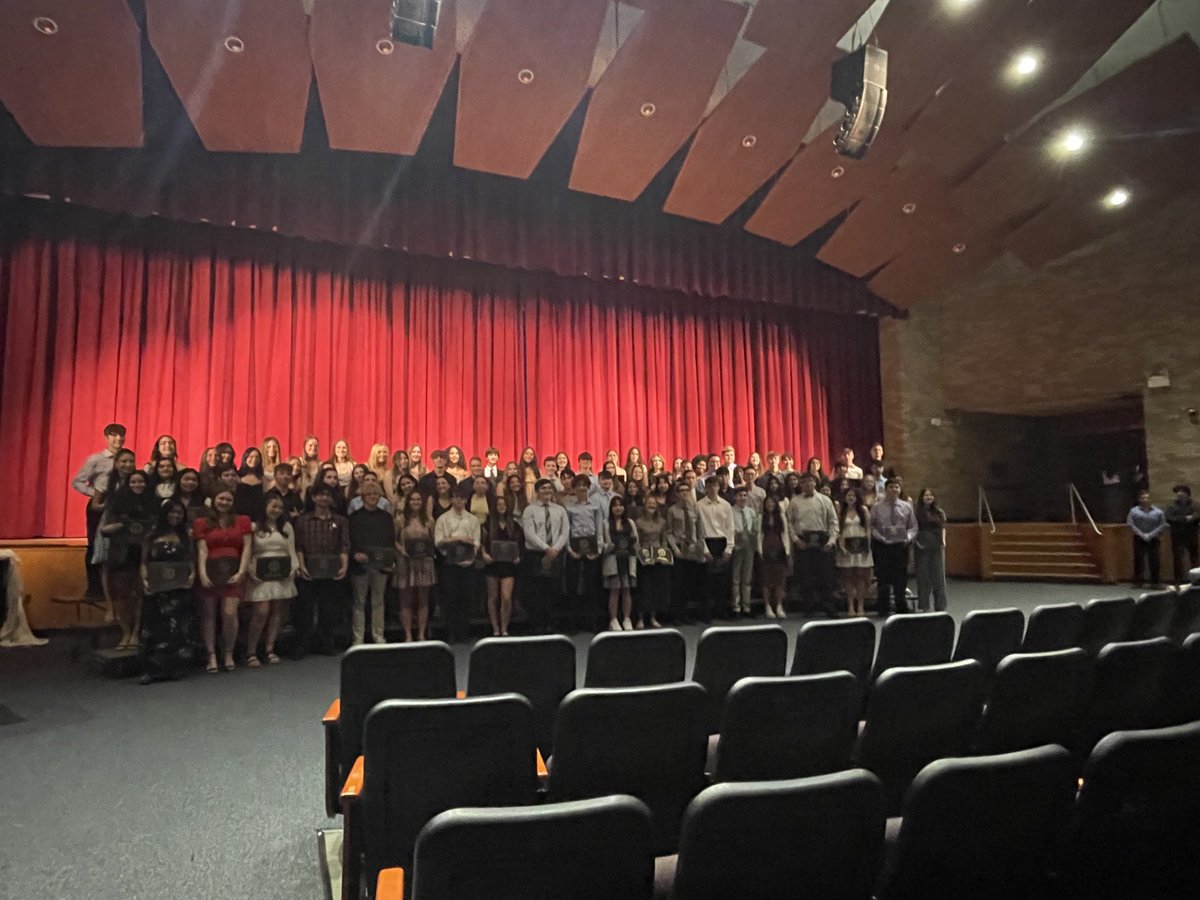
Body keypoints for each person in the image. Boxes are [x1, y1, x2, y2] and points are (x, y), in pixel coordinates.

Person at [137, 499, 198, 684]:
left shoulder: (187, 536)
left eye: (179, 513)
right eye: (172, 512)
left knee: (178, 628)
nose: (176, 516)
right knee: (154, 628)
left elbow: (190, 561)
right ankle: (151, 670)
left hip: (179, 589)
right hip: (157, 589)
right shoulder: (151, 535)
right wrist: (145, 580)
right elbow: (144, 562)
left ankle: (174, 668)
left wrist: (192, 576)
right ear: (165, 513)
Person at [193, 487, 253, 672]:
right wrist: (202, 573)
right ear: (213, 499)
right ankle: (211, 655)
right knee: (209, 614)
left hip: (235, 572)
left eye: (228, 499)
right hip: (210, 572)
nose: (224, 502)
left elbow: (247, 548)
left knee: (229, 613)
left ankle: (228, 652)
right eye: (221, 498)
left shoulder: (243, 520)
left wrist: (242, 571)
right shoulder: (201, 522)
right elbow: (202, 550)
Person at [98, 466, 158, 648]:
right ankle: (125, 632)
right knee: (122, 596)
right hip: (121, 554)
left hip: (145, 555)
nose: (137, 484)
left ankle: (136, 633)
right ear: (127, 483)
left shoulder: (153, 503)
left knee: (141, 595)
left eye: (141, 481)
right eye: (133, 481)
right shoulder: (117, 502)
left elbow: (157, 528)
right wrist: (122, 525)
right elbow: (104, 529)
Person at [293, 484, 350, 657]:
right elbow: (299, 546)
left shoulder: (340, 521)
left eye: (327, 495)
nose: (324, 498)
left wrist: (344, 566)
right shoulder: (303, 520)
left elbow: (344, 545)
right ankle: (302, 645)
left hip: (332, 572)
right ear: (313, 498)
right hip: (308, 570)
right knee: (305, 610)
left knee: (329, 610)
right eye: (320, 495)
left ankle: (326, 643)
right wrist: (301, 566)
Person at [72, 422, 126, 598]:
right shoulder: (95, 459)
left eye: (121, 435)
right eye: (114, 435)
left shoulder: (126, 458)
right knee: (95, 545)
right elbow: (78, 481)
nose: (118, 438)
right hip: (100, 505)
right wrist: (96, 494)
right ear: (106, 437)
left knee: (117, 545)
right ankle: (94, 587)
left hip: (119, 507)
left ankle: (114, 588)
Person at [244, 494, 299, 664]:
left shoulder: (287, 527)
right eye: (273, 506)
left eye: (280, 508)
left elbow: (292, 549)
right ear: (265, 507)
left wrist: (293, 568)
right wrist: (248, 569)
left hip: (281, 574)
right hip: (260, 574)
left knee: (277, 613)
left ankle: (270, 649)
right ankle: (251, 651)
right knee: (261, 612)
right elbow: (248, 550)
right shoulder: (254, 527)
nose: (276, 510)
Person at [785, 472, 839, 618]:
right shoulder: (794, 501)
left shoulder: (825, 500)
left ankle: (829, 607)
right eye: (804, 482)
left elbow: (833, 521)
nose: (808, 484)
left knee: (826, 576)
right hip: (803, 541)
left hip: (822, 541)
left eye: (810, 481)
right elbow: (789, 523)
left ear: (815, 483)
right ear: (800, 484)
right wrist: (796, 540)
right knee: (805, 576)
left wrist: (832, 540)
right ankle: (808, 608)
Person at [348, 482, 395, 645]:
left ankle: (378, 636)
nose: (373, 497)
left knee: (378, 601)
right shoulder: (354, 518)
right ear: (363, 497)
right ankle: (358, 638)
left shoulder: (386, 518)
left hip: (380, 566)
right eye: (369, 494)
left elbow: (390, 541)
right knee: (359, 602)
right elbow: (349, 540)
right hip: (359, 566)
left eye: (376, 494)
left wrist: (389, 562)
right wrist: (355, 554)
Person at [434, 485, 482, 643]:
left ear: (466, 500)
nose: (459, 500)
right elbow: (439, 542)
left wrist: (469, 558)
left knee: (466, 599)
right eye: (456, 497)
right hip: (449, 564)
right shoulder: (443, 519)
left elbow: (476, 542)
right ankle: (450, 633)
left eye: (462, 498)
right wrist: (457, 540)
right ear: (451, 499)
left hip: (468, 564)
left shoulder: (473, 519)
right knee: (450, 598)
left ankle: (464, 633)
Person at [522, 479, 570, 633]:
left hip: (556, 554)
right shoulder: (529, 510)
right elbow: (529, 533)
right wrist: (546, 548)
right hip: (536, 555)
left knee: (554, 590)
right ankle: (537, 625)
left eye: (550, 488)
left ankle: (552, 624)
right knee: (537, 592)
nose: (547, 490)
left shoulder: (560, 510)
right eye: (543, 488)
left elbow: (565, 532)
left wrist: (555, 548)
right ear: (537, 491)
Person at [870, 476, 918, 615]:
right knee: (883, 578)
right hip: (883, 546)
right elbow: (871, 526)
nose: (894, 489)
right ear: (885, 489)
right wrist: (881, 537)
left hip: (900, 546)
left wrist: (907, 538)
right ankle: (883, 607)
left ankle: (901, 606)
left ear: (900, 489)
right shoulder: (877, 507)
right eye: (891, 487)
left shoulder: (906, 506)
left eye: (896, 487)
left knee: (901, 578)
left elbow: (913, 526)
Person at [564, 475, 605, 631]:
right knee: (572, 587)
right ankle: (573, 623)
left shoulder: (595, 507)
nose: (582, 488)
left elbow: (599, 529)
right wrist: (569, 549)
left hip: (592, 551)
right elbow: (567, 530)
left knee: (592, 587)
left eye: (585, 485)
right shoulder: (569, 507)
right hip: (574, 550)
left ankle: (592, 622)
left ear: (589, 488)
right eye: (579, 485)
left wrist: (598, 550)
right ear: (574, 489)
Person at [394, 489, 437, 642]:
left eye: (418, 499)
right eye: (412, 499)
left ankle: (421, 634)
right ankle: (408, 634)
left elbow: (433, 540)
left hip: (424, 563)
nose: (415, 502)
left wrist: (429, 551)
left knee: (423, 599)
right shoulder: (400, 520)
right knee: (405, 599)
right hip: (405, 562)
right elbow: (394, 540)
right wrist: (402, 550)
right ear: (407, 502)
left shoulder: (429, 521)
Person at [482, 493, 523, 637]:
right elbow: (481, 543)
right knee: (492, 597)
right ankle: (495, 628)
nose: (501, 507)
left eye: (504, 505)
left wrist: (518, 556)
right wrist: (484, 555)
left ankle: (504, 628)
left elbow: (520, 545)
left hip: (509, 565)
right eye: (499, 505)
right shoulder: (487, 525)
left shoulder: (515, 525)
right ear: (494, 507)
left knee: (506, 597)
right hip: (492, 564)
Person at [666, 479, 705, 624]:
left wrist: (699, 546)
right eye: (681, 491)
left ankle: (687, 614)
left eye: (686, 491)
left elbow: (699, 530)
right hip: (679, 547)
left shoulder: (695, 509)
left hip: (692, 549)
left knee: (689, 584)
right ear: (677, 494)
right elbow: (669, 532)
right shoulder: (672, 510)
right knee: (678, 584)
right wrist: (674, 549)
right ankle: (677, 614)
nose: (684, 494)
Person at [697, 474, 734, 622]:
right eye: (710, 486)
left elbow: (730, 528)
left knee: (723, 581)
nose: (713, 489)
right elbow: (699, 530)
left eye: (715, 486)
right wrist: (705, 550)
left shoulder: (725, 505)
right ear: (705, 488)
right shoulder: (699, 505)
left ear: (719, 487)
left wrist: (729, 548)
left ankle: (722, 610)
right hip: (707, 542)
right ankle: (706, 612)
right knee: (706, 582)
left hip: (722, 542)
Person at [602, 496, 638, 631]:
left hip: (628, 560)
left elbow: (636, 541)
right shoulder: (606, 523)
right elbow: (602, 542)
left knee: (627, 590)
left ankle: (627, 618)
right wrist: (607, 547)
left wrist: (634, 550)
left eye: (620, 505)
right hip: (612, 560)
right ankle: (613, 619)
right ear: (611, 508)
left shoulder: (630, 522)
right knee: (614, 591)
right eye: (615, 506)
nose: (618, 508)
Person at [634, 494, 670, 628]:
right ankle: (640, 619)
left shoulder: (662, 522)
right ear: (644, 505)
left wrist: (665, 555)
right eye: (649, 503)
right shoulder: (638, 522)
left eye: (653, 504)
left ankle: (653, 617)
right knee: (643, 589)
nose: (651, 506)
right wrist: (639, 554)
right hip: (643, 557)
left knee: (656, 589)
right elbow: (636, 541)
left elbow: (664, 540)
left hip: (658, 557)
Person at [836, 487, 873, 618]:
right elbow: (838, 530)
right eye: (848, 495)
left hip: (861, 545)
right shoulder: (841, 511)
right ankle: (850, 605)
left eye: (853, 496)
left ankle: (861, 605)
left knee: (861, 577)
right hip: (846, 546)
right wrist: (841, 546)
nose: (850, 498)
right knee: (848, 577)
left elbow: (868, 528)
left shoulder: (863, 510)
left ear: (857, 497)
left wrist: (867, 544)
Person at [914, 488, 948, 612]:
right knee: (923, 577)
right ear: (921, 497)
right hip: (921, 546)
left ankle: (940, 606)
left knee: (939, 577)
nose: (928, 497)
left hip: (937, 546)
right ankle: (924, 606)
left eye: (930, 495)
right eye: (926, 495)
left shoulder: (939, 512)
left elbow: (943, 527)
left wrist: (943, 541)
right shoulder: (916, 512)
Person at [758, 494, 792, 619]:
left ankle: (778, 605)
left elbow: (785, 534)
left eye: (772, 503)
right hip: (766, 548)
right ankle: (767, 606)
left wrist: (787, 551)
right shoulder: (761, 517)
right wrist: (760, 551)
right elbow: (759, 535)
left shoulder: (781, 516)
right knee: (766, 580)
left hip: (779, 548)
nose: (770, 505)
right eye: (768, 503)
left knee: (779, 579)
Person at [1127, 490, 1168, 587]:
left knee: (1154, 560)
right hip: (1138, 538)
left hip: (1153, 539)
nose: (1145, 499)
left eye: (1147, 497)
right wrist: (1142, 534)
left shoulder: (1158, 512)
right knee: (1138, 560)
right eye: (1143, 498)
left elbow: (1163, 524)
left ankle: (1154, 582)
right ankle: (1138, 582)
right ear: (1139, 499)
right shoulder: (1133, 511)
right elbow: (1130, 524)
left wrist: (1150, 535)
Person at [729, 487, 759, 617]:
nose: (743, 498)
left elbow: (755, 527)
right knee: (736, 577)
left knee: (747, 577)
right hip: (736, 546)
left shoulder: (751, 512)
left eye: (745, 495)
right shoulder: (730, 511)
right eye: (740, 495)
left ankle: (746, 606)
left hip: (749, 546)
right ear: (735, 497)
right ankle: (736, 607)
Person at [1166, 484, 1200, 584]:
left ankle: (1196, 580)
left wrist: (1192, 518)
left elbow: (1198, 515)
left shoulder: (1195, 505)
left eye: (1182, 492)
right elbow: (1169, 518)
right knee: (1177, 560)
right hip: (1177, 536)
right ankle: (1178, 580)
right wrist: (1185, 518)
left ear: (1187, 494)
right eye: (1178, 492)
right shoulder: (1172, 506)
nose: (1179, 494)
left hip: (1191, 535)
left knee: (1194, 559)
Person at [235, 447, 266, 520]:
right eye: (251, 457)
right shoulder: (237, 476)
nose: (254, 460)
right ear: (245, 458)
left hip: (258, 516)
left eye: (257, 457)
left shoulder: (263, 478)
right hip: (240, 515)